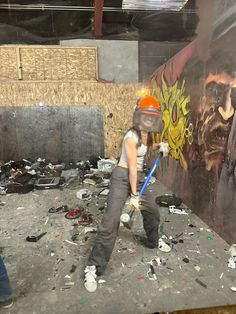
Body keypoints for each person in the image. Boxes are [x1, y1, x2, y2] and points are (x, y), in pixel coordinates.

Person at [84, 95, 171, 292]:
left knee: (152, 212)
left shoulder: (148, 134)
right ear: (138, 115)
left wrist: (158, 148)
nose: (149, 119)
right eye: (146, 115)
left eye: (152, 116)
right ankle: (93, 268)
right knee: (110, 222)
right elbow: (132, 167)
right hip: (123, 177)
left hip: (138, 177)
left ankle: (153, 241)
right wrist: (133, 195)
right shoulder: (131, 137)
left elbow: (143, 154)